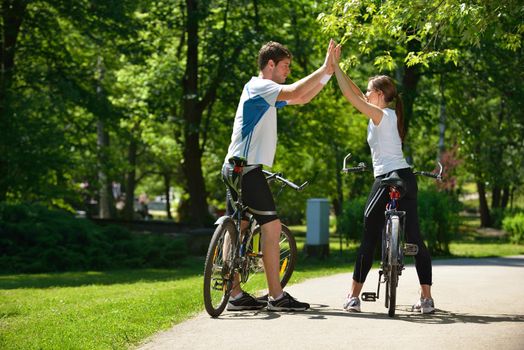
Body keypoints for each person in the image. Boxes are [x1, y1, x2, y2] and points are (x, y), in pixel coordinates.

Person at [222, 40, 336, 312]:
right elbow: (296, 89)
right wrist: (322, 67)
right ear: (270, 64)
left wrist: (329, 72)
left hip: (233, 167)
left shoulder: (263, 93)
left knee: (238, 226)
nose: (288, 71)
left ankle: (234, 294)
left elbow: (300, 98)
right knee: (272, 227)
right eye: (285, 66)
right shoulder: (261, 86)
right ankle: (276, 296)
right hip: (247, 169)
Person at [331, 44, 435, 314]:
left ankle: (353, 297)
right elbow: (355, 91)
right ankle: (427, 299)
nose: (365, 94)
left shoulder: (380, 115)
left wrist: (333, 66)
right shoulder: (388, 114)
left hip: (386, 178)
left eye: (369, 91)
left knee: (369, 236)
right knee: (415, 239)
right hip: (407, 178)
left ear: (378, 95)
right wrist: (338, 68)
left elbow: (349, 95)